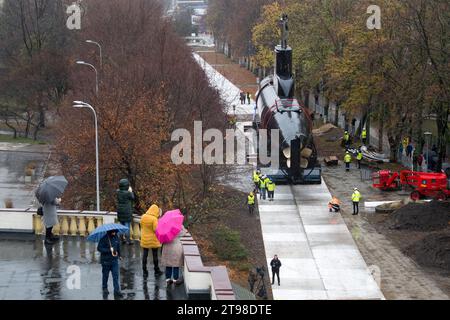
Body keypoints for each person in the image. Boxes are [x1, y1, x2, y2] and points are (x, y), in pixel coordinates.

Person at [98, 229, 123, 298]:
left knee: (115, 276)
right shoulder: (104, 238)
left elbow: (118, 247)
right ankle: (105, 288)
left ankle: (116, 290)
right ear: (109, 232)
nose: (114, 233)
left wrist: (120, 255)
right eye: (113, 232)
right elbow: (99, 248)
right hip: (106, 261)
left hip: (114, 260)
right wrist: (109, 250)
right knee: (105, 275)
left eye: (115, 232)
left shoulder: (116, 237)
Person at [140, 204, 163, 278]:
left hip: (144, 239)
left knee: (145, 255)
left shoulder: (143, 216)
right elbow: (155, 230)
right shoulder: (154, 219)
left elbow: (141, 226)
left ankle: (144, 271)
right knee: (155, 255)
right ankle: (156, 270)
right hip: (153, 240)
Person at [116, 179, 135, 245]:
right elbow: (133, 197)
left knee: (121, 225)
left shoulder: (118, 192)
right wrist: (131, 191)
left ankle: (121, 239)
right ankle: (128, 240)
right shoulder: (128, 193)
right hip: (127, 211)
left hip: (120, 211)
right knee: (127, 226)